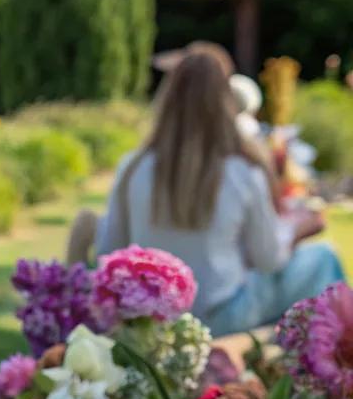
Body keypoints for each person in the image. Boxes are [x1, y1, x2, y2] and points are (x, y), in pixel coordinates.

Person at [95, 45, 345, 335]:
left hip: (151, 322)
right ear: (225, 99)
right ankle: (331, 352)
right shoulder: (242, 169)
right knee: (322, 258)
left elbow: (108, 249)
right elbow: (268, 259)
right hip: (222, 316)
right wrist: (297, 230)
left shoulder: (134, 166)